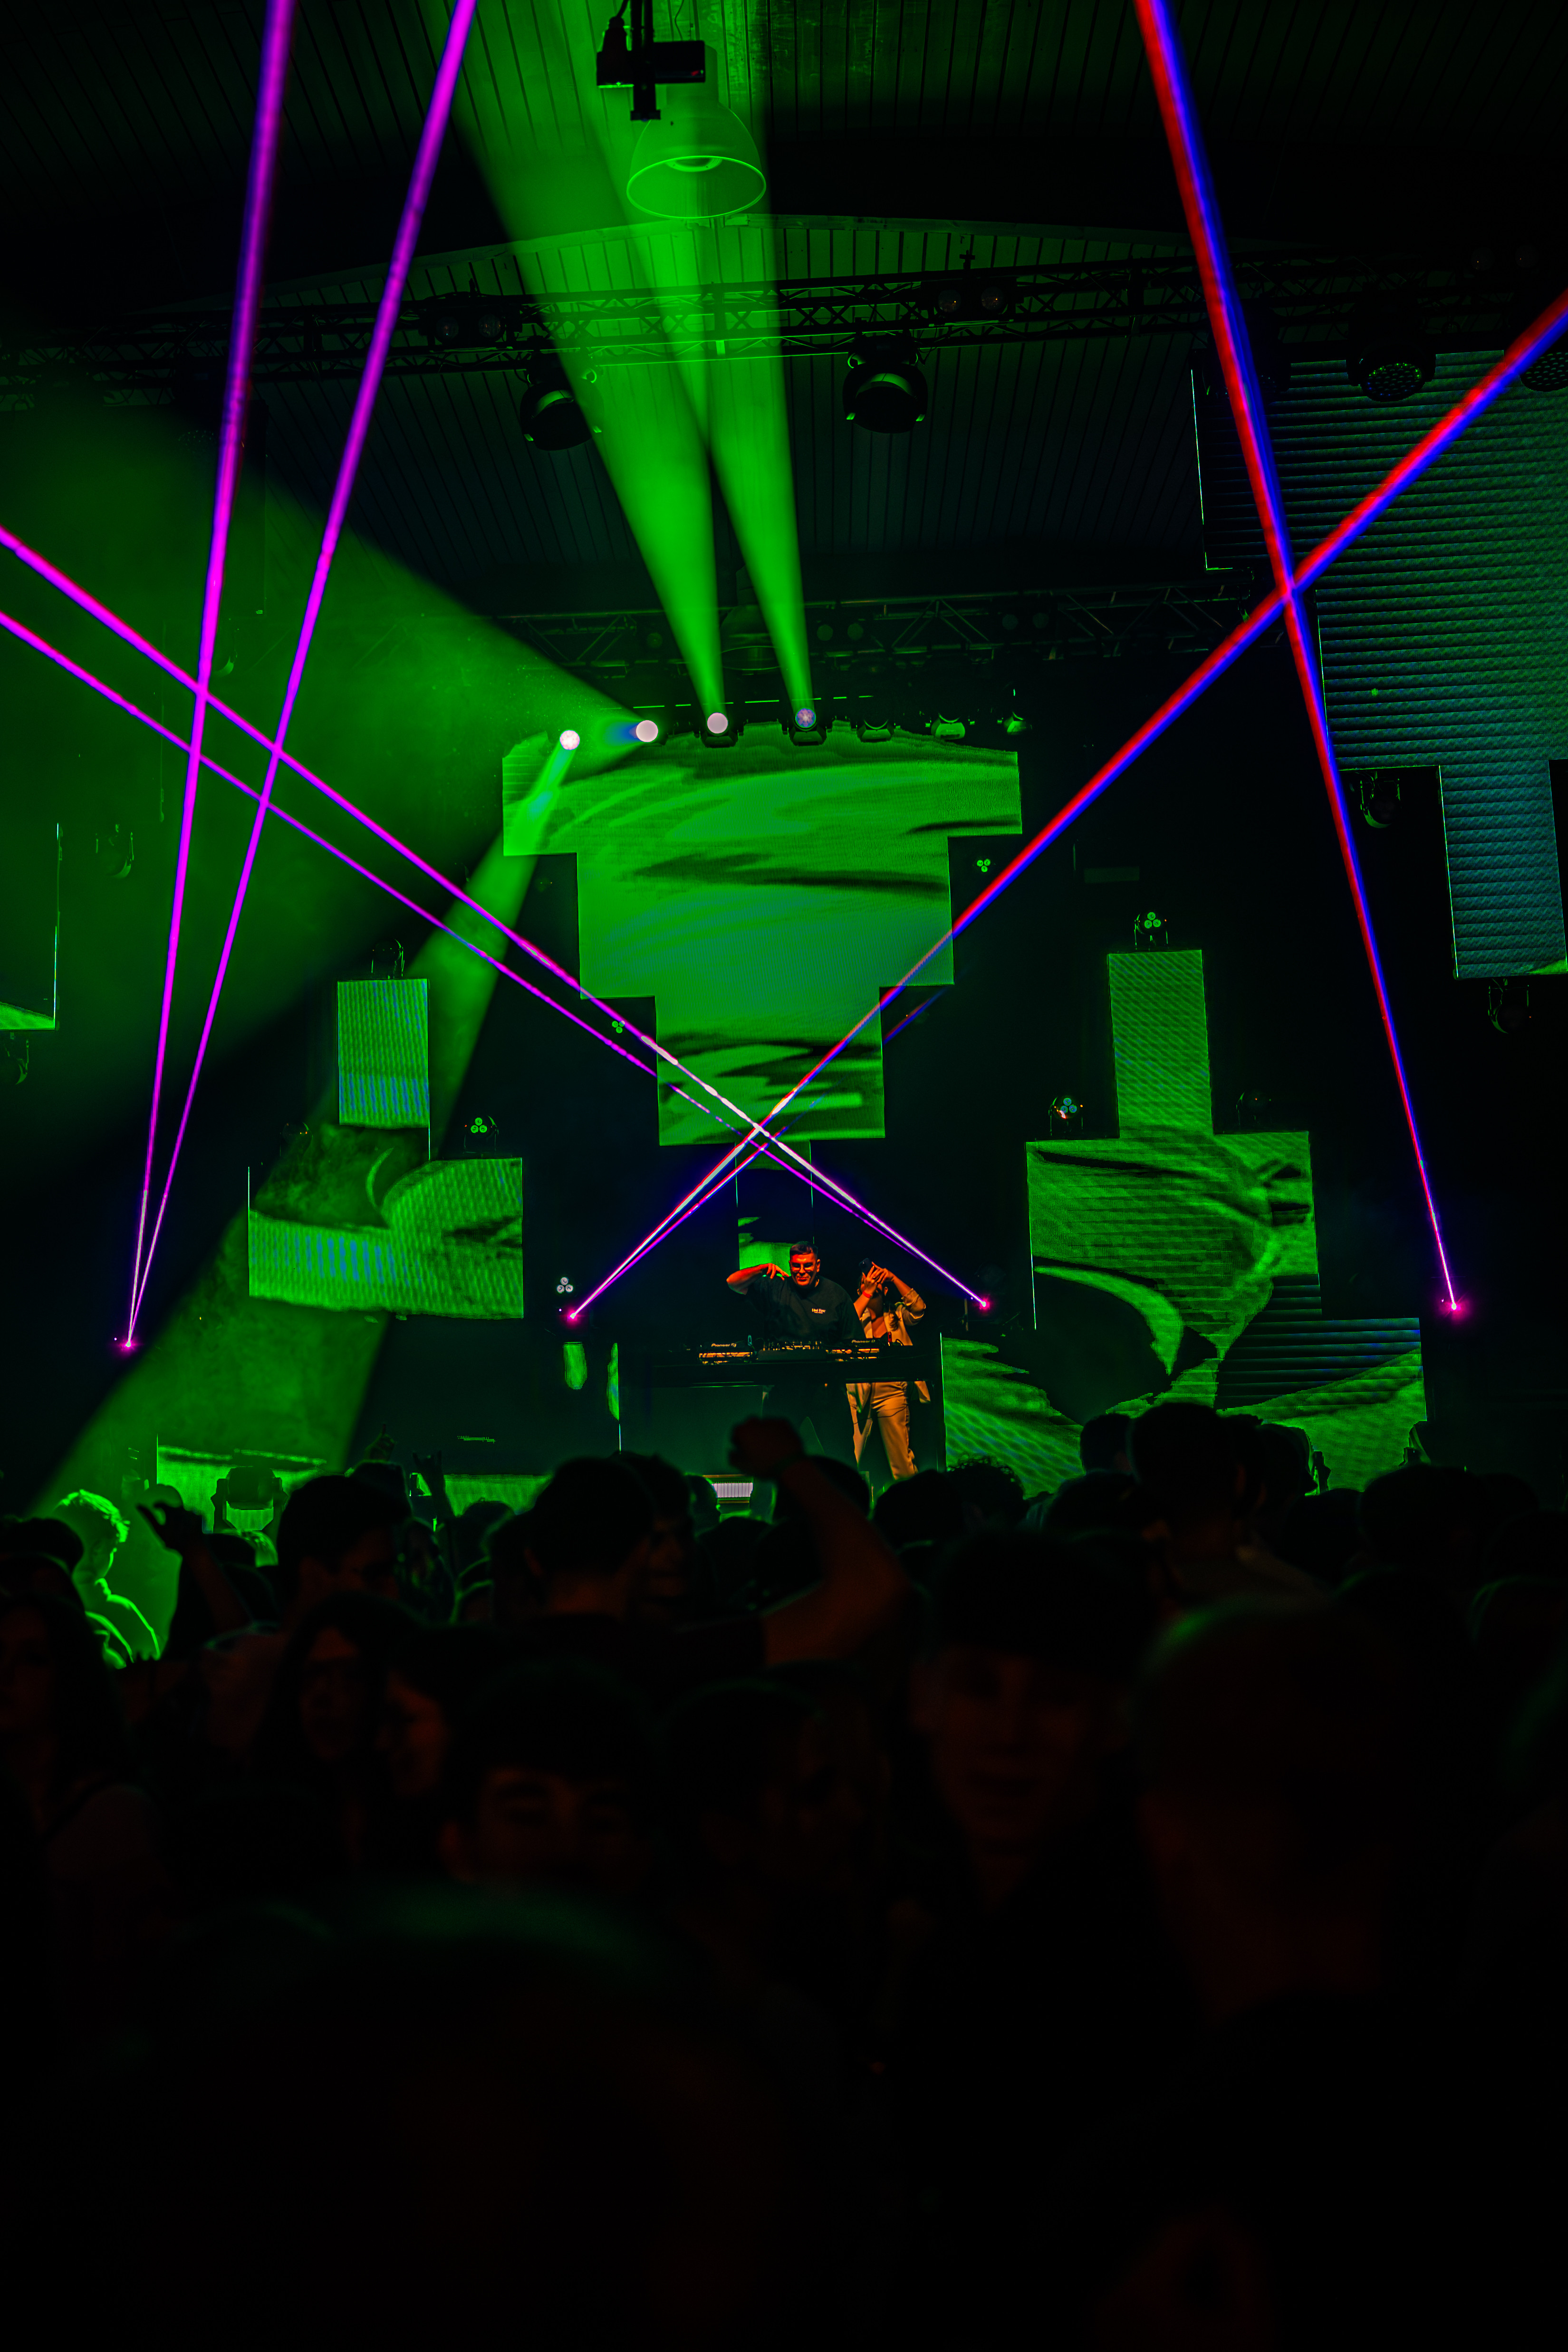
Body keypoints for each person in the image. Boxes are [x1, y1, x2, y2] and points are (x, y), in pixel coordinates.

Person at [486, 1420, 908, 1706]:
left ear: (533, 1560)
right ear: (640, 1552)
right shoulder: (671, 1660)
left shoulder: (481, 1668)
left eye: (683, 1534)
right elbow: (874, 1590)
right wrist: (791, 1464)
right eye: (659, 1539)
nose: (675, 1554)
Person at [0, 1591, 171, 2030]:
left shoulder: (115, 1816)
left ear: (73, 1679)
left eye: (33, 1659)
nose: (5, 1672)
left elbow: (131, 1987)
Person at [726, 1240, 861, 1460]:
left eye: (808, 1265)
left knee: (841, 1458)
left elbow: (854, 1344)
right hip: (784, 1388)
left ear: (818, 1265)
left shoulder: (837, 1295)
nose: (802, 1271)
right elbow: (733, 1282)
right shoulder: (776, 1287)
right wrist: (762, 1269)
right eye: (797, 1266)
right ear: (790, 1265)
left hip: (826, 1391)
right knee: (770, 1458)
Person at [50, 1490, 158, 1661]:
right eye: (113, 1548)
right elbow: (153, 1664)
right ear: (99, 1549)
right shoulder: (123, 1611)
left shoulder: (42, 1609)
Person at [848, 1259, 928, 1486]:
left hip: (891, 1391)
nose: (872, 1283)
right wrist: (866, 1293)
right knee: (849, 1458)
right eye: (866, 1282)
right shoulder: (856, 1317)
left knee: (901, 1463)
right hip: (858, 1391)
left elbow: (919, 1309)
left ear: (884, 1290)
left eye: (877, 1282)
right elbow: (844, 1323)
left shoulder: (897, 1315)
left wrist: (892, 1277)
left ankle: (913, 1501)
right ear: (860, 1291)